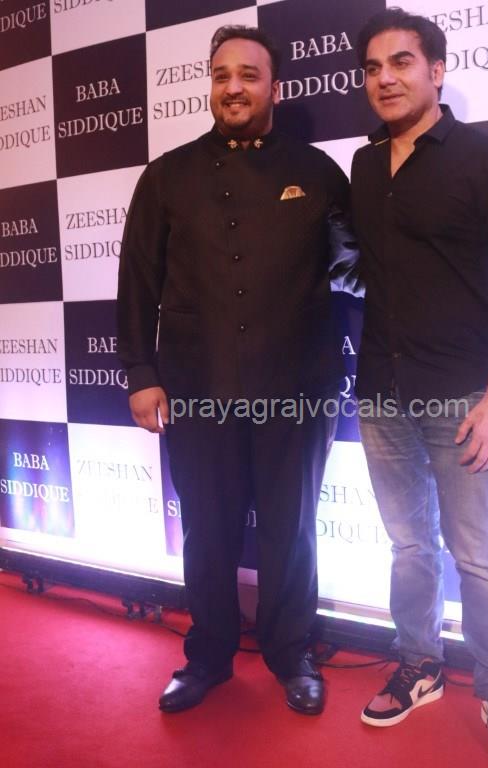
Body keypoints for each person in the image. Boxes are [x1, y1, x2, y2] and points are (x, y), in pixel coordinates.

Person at [117, 25, 359, 716]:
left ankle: (291, 653)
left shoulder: (319, 173)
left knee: (292, 529)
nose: (234, 87)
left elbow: (356, 270)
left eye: (249, 75)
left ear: (274, 87)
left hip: (298, 388)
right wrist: (141, 371)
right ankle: (208, 656)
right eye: (222, 75)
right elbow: (137, 280)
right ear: (210, 84)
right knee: (207, 529)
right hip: (197, 387)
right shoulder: (166, 175)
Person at [350, 8, 488, 759]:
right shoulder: (365, 167)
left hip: (463, 394)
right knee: (408, 545)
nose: (385, 78)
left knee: (480, 555)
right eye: (372, 68)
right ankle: (419, 664)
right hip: (380, 390)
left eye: (400, 62)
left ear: (435, 70)